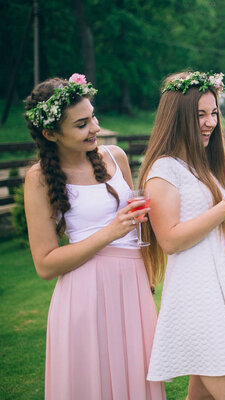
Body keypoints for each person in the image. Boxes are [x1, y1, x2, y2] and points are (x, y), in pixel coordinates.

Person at [23, 74, 165, 399]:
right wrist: (111, 231)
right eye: (82, 124)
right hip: (85, 295)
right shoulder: (40, 179)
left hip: (133, 289)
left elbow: (139, 224)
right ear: (51, 133)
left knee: (136, 380)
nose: (96, 128)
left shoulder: (116, 157)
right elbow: (45, 265)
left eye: (93, 116)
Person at [138, 71, 225, 400]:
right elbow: (170, 240)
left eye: (213, 112)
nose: (210, 122)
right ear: (177, 117)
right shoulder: (163, 169)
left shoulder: (200, 164)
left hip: (222, 290)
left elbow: (214, 216)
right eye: (200, 114)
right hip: (200, 298)